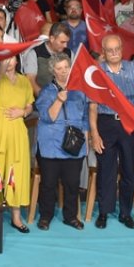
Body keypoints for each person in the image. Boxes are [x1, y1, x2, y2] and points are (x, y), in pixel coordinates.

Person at [0, 25, 34, 232]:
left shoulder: (24, 81)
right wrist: (3, 59)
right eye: (8, 57)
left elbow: (30, 104)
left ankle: (16, 217)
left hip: (18, 132)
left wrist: (24, 112)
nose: (11, 61)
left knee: (16, 171)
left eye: (13, 57)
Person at [88, 33, 134, 230]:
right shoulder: (96, 72)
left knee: (129, 169)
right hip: (106, 124)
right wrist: (94, 133)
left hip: (129, 124)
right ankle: (104, 212)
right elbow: (93, 106)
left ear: (122, 49)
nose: (114, 53)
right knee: (106, 170)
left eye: (117, 49)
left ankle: (125, 213)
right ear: (103, 52)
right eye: (109, 50)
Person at [34, 54, 89, 230]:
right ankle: (45, 216)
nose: (64, 71)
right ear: (53, 71)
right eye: (59, 68)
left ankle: (70, 217)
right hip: (50, 146)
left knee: (72, 184)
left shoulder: (80, 90)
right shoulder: (46, 92)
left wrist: (87, 136)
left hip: (74, 145)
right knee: (48, 184)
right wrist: (59, 99)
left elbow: (86, 115)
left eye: (66, 67)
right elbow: (47, 117)